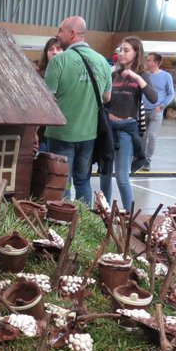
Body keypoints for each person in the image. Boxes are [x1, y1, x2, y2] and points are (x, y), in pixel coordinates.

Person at [43, 16, 111, 205]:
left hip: (61, 134)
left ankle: (63, 222)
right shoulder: (103, 62)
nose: (57, 34)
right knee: (83, 181)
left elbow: (47, 99)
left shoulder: (58, 62)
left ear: (72, 33)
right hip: (89, 134)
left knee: (62, 182)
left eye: (61, 30)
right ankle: (82, 222)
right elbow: (107, 97)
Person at [104, 36, 156, 210]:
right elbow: (106, 101)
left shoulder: (141, 76)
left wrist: (136, 77)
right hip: (109, 129)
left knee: (121, 176)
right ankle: (103, 211)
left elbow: (153, 97)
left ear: (136, 53)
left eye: (126, 50)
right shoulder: (114, 75)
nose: (122, 53)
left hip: (126, 131)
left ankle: (130, 216)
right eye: (121, 50)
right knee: (104, 174)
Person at [140, 52, 174, 171]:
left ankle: (148, 160)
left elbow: (171, 94)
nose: (146, 62)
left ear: (156, 63)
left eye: (149, 60)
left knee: (152, 136)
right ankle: (141, 158)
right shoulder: (143, 75)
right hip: (143, 110)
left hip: (156, 111)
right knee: (142, 136)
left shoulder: (166, 76)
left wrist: (162, 105)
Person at [34, 36, 62, 152]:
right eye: (51, 49)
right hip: (40, 132)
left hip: (60, 131)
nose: (55, 52)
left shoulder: (67, 74)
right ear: (46, 52)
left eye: (59, 49)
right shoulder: (37, 74)